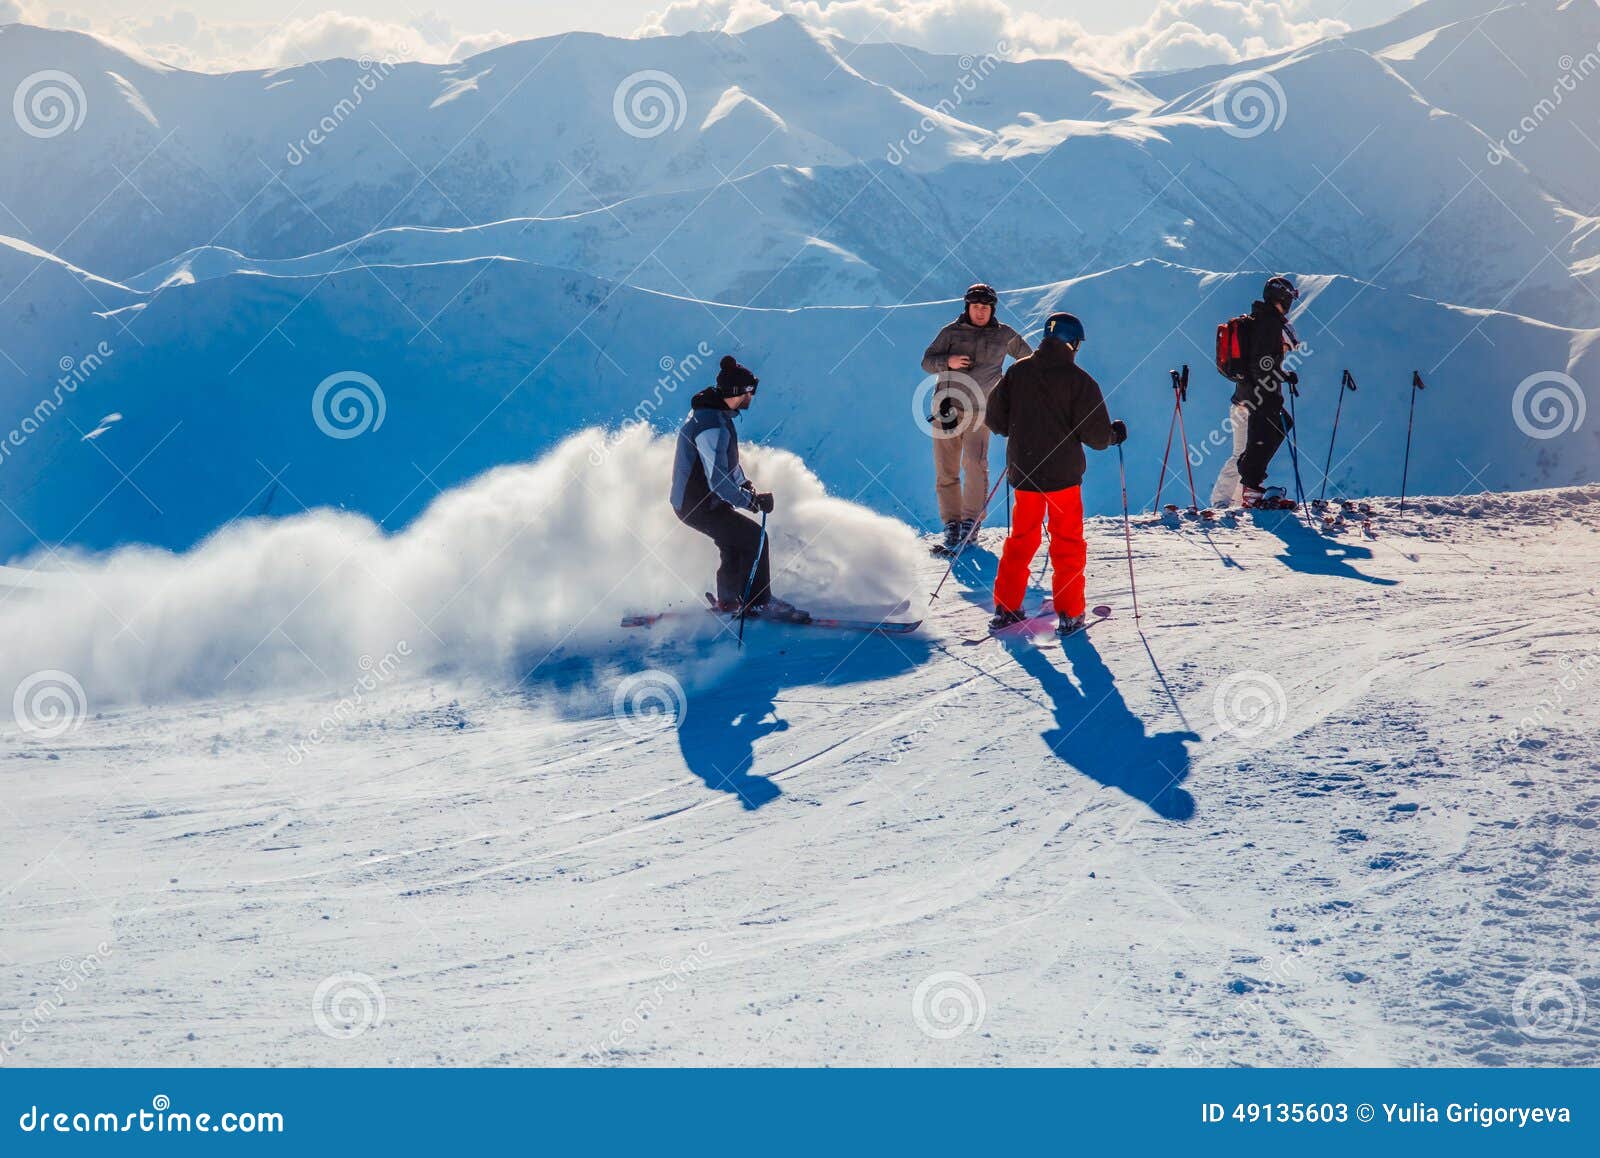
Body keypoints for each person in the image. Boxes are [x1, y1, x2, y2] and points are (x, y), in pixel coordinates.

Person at [985, 312, 1127, 636]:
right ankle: (1070, 613)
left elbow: (995, 419)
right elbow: (1096, 437)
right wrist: (1113, 434)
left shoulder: (1017, 372)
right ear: (1073, 342)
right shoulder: (1080, 382)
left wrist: (1020, 430)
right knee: (1067, 543)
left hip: (1024, 473)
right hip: (1063, 478)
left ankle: (1006, 608)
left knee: (1021, 540)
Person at [669, 356, 807, 621]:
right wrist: (750, 502)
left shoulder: (713, 417)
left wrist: (746, 488)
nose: (752, 397)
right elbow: (718, 480)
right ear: (738, 392)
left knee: (734, 542)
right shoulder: (712, 425)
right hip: (697, 504)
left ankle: (730, 599)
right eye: (749, 392)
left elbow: (726, 465)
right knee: (755, 538)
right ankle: (758, 603)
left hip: (697, 502)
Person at [920, 283, 1032, 550]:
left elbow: (1028, 359)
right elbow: (926, 362)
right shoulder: (950, 332)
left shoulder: (1004, 334)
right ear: (967, 307)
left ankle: (971, 522)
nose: (980, 312)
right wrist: (948, 361)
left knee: (974, 464)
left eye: (985, 307)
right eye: (975, 307)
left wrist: (1012, 387)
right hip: (945, 410)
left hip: (982, 412)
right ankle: (952, 525)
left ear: (992, 309)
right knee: (945, 470)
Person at [1211, 275, 1301, 509]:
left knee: (1244, 451)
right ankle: (1230, 499)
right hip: (1255, 400)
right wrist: (1277, 380)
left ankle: (1236, 497)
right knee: (1246, 451)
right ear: (1281, 297)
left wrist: (1281, 375)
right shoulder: (1269, 324)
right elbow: (1262, 364)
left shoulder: (1258, 320)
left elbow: (1260, 364)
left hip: (1244, 398)